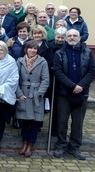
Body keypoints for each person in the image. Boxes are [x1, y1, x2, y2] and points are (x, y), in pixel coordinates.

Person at [52, 29, 95, 160]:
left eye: (74, 35)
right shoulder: (59, 53)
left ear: (79, 37)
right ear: (65, 38)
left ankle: (75, 147)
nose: (72, 37)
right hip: (64, 93)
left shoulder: (87, 53)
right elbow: (58, 72)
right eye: (69, 35)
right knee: (62, 121)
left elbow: (92, 71)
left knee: (77, 122)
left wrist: (80, 86)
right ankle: (61, 145)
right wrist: (72, 86)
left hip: (82, 93)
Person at [15, 40, 50, 157]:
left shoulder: (42, 62)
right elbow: (15, 78)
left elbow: (46, 80)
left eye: (35, 49)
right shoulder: (19, 61)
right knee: (25, 121)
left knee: (35, 121)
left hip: (36, 95)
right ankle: (24, 143)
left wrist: (39, 93)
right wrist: (19, 93)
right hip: (23, 94)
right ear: (26, 49)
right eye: (30, 48)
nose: (32, 50)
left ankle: (30, 145)